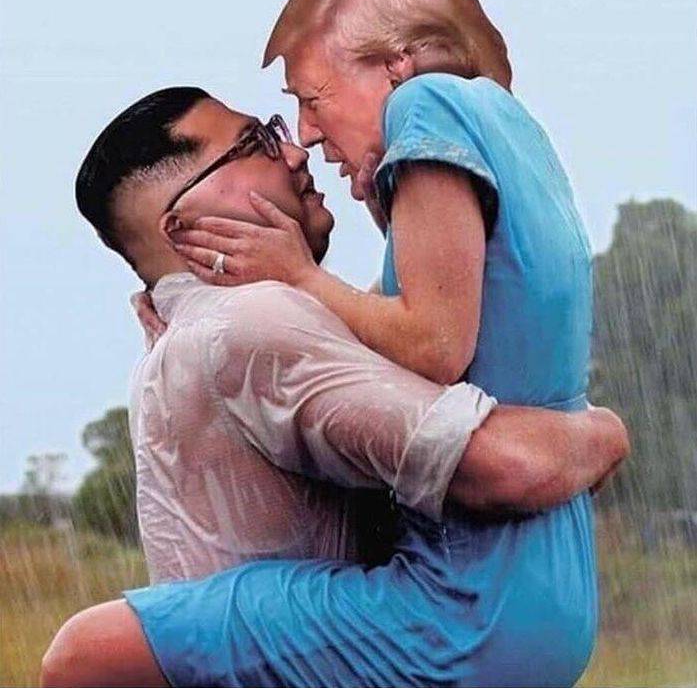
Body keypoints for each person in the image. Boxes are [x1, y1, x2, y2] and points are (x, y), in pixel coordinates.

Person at [41, 87, 627, 687]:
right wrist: (603, 431)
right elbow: (506, 470)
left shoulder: (179, 339)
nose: (296, 153)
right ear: (183, 225)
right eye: (256, 144)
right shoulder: (249, 325)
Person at [163, 0, 611, 686]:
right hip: (552, 579)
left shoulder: (425, 103)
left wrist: (299, 276)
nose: (306, 133)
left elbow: (434, 345)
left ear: (396, 64)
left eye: (312, 98)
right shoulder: (509, 123)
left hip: (469, 596)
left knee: (105, 646)